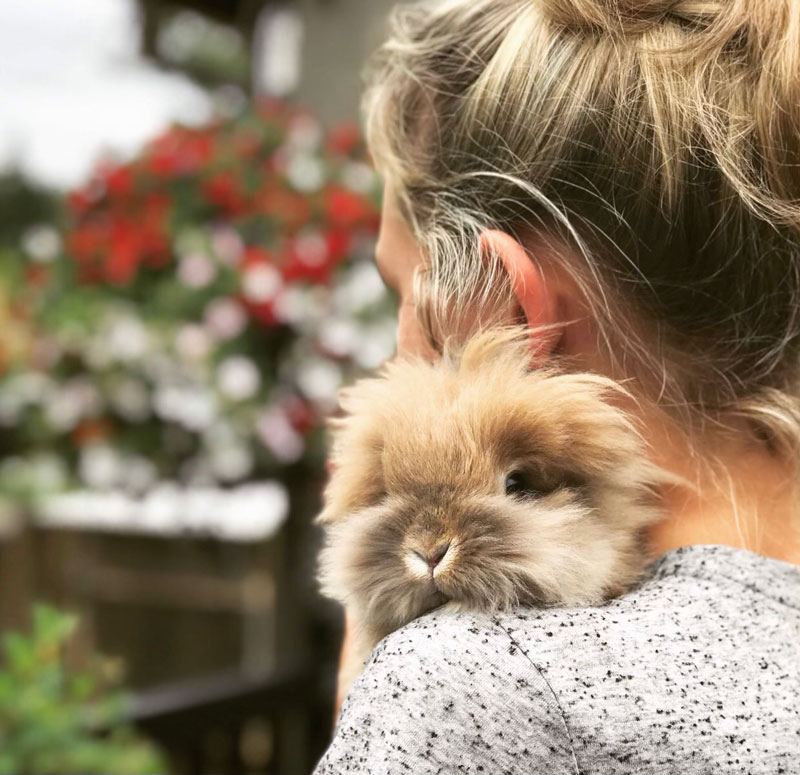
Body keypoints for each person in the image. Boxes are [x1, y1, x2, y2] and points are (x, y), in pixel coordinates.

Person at [313, 1, 800, 772]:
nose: (393, 362)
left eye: (400, 299)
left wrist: (378, 682)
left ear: (506, 312)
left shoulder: (478, 680)